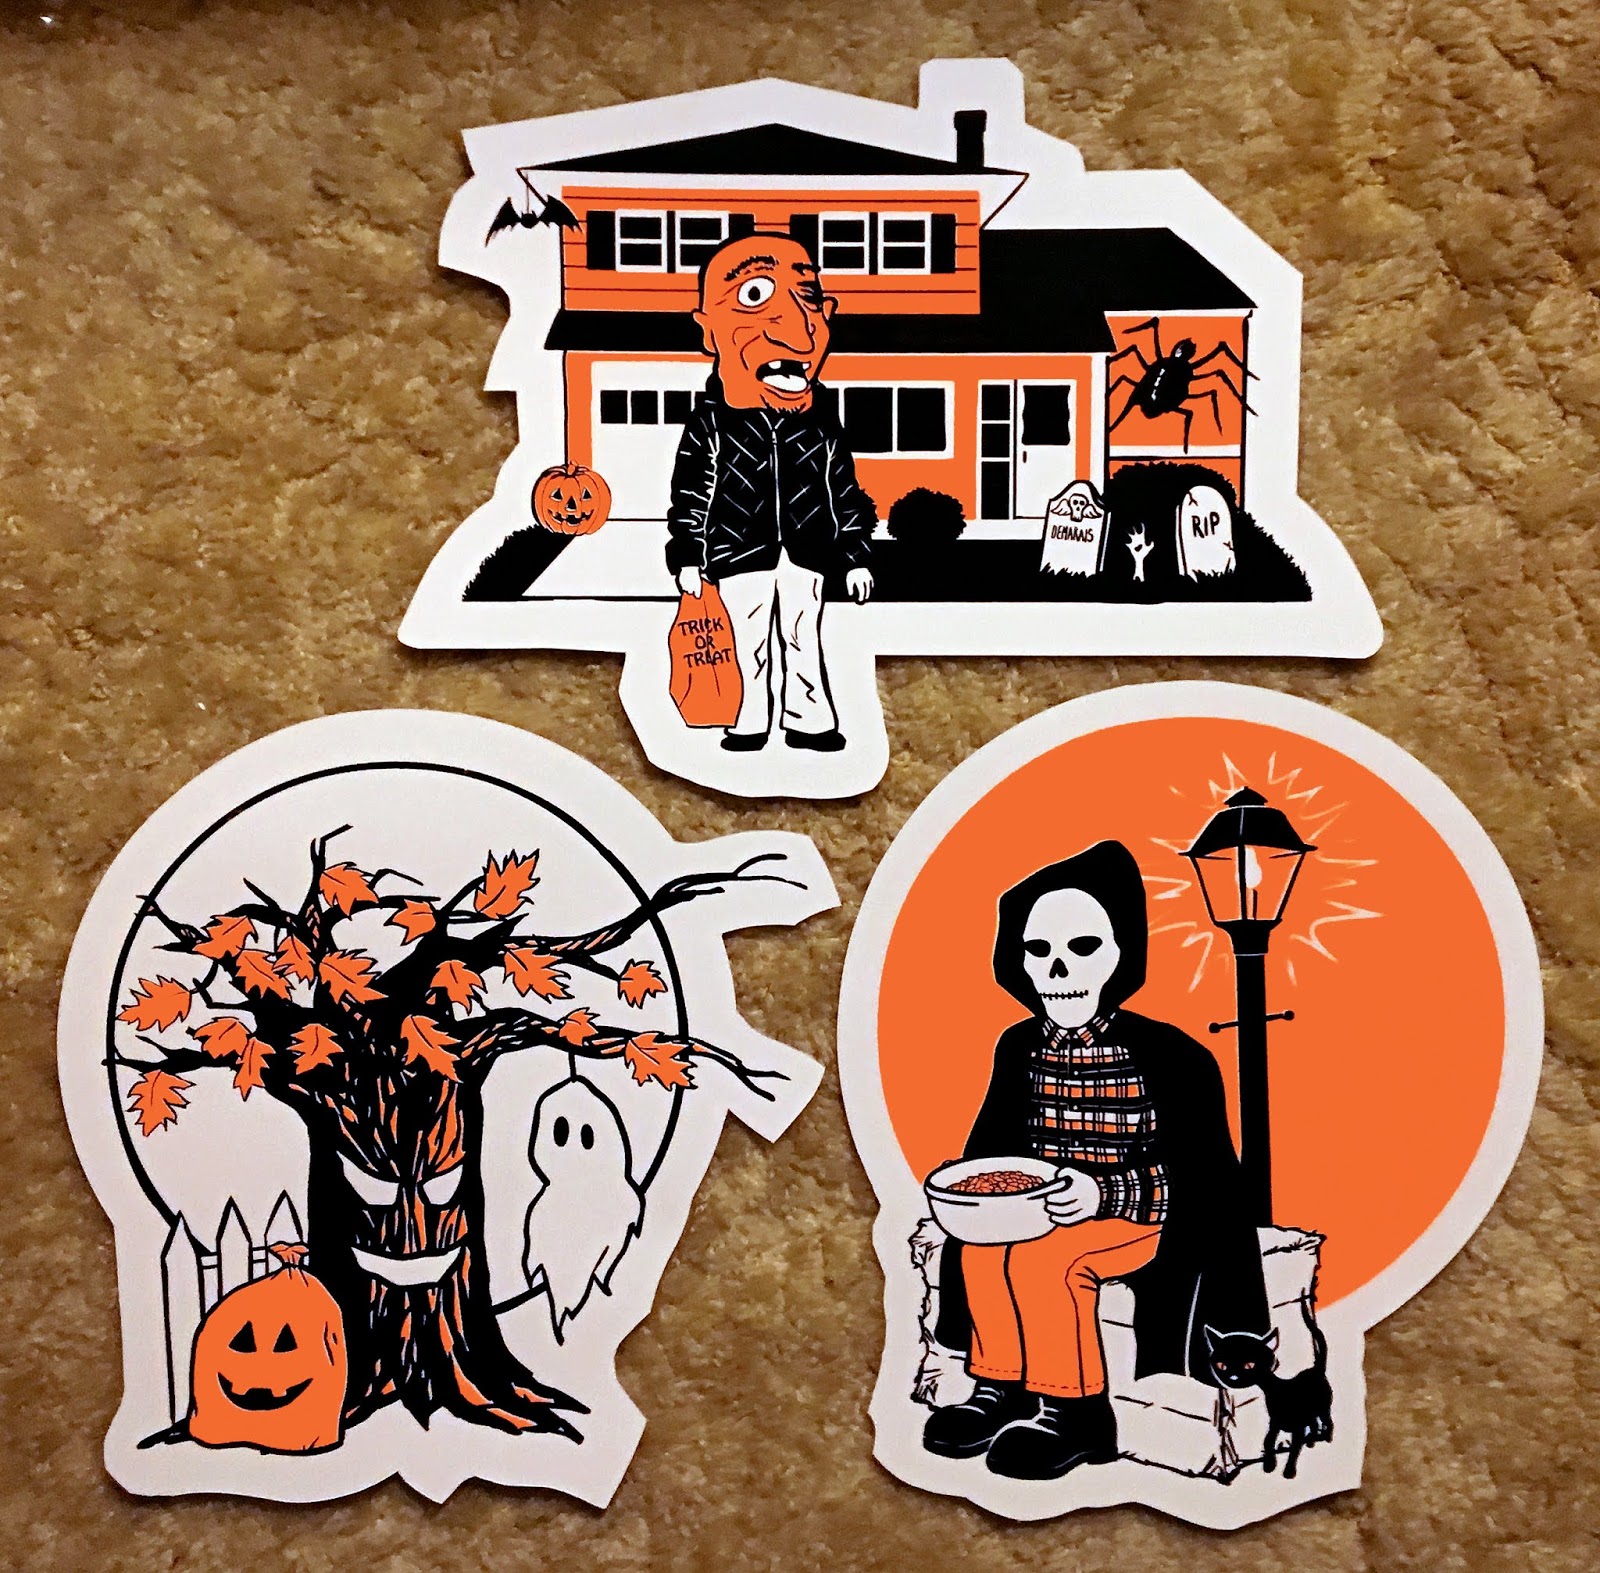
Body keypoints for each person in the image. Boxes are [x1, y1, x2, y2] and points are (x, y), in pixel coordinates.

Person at [924, 840, 1270, 1480]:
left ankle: (1078, 1414)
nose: (1058, 969)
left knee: (1048, 1261)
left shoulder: (1175, 1057)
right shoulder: (1018, 1047)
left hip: (1146, 1223)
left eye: (1082, 947)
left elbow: (1208, 1183)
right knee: (982, 1253)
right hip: (1038, 1211)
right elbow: (991, 1146)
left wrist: (1102, 1194)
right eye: (1038, 951)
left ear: (1120, 954)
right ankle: (1002, 1388)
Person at [666, 232, 875, 753]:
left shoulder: (821, 420)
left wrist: (854, 557)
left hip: (807, 549)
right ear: (707, 330)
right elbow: (691, 492)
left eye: (809, 298)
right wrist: (687, 554)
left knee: (804, 639)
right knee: (746, 641)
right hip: (739, 550)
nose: (799, 327)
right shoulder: (712, 421)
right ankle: (747, 723)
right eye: (755, 294)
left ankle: (810, 722)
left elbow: (844, 489)